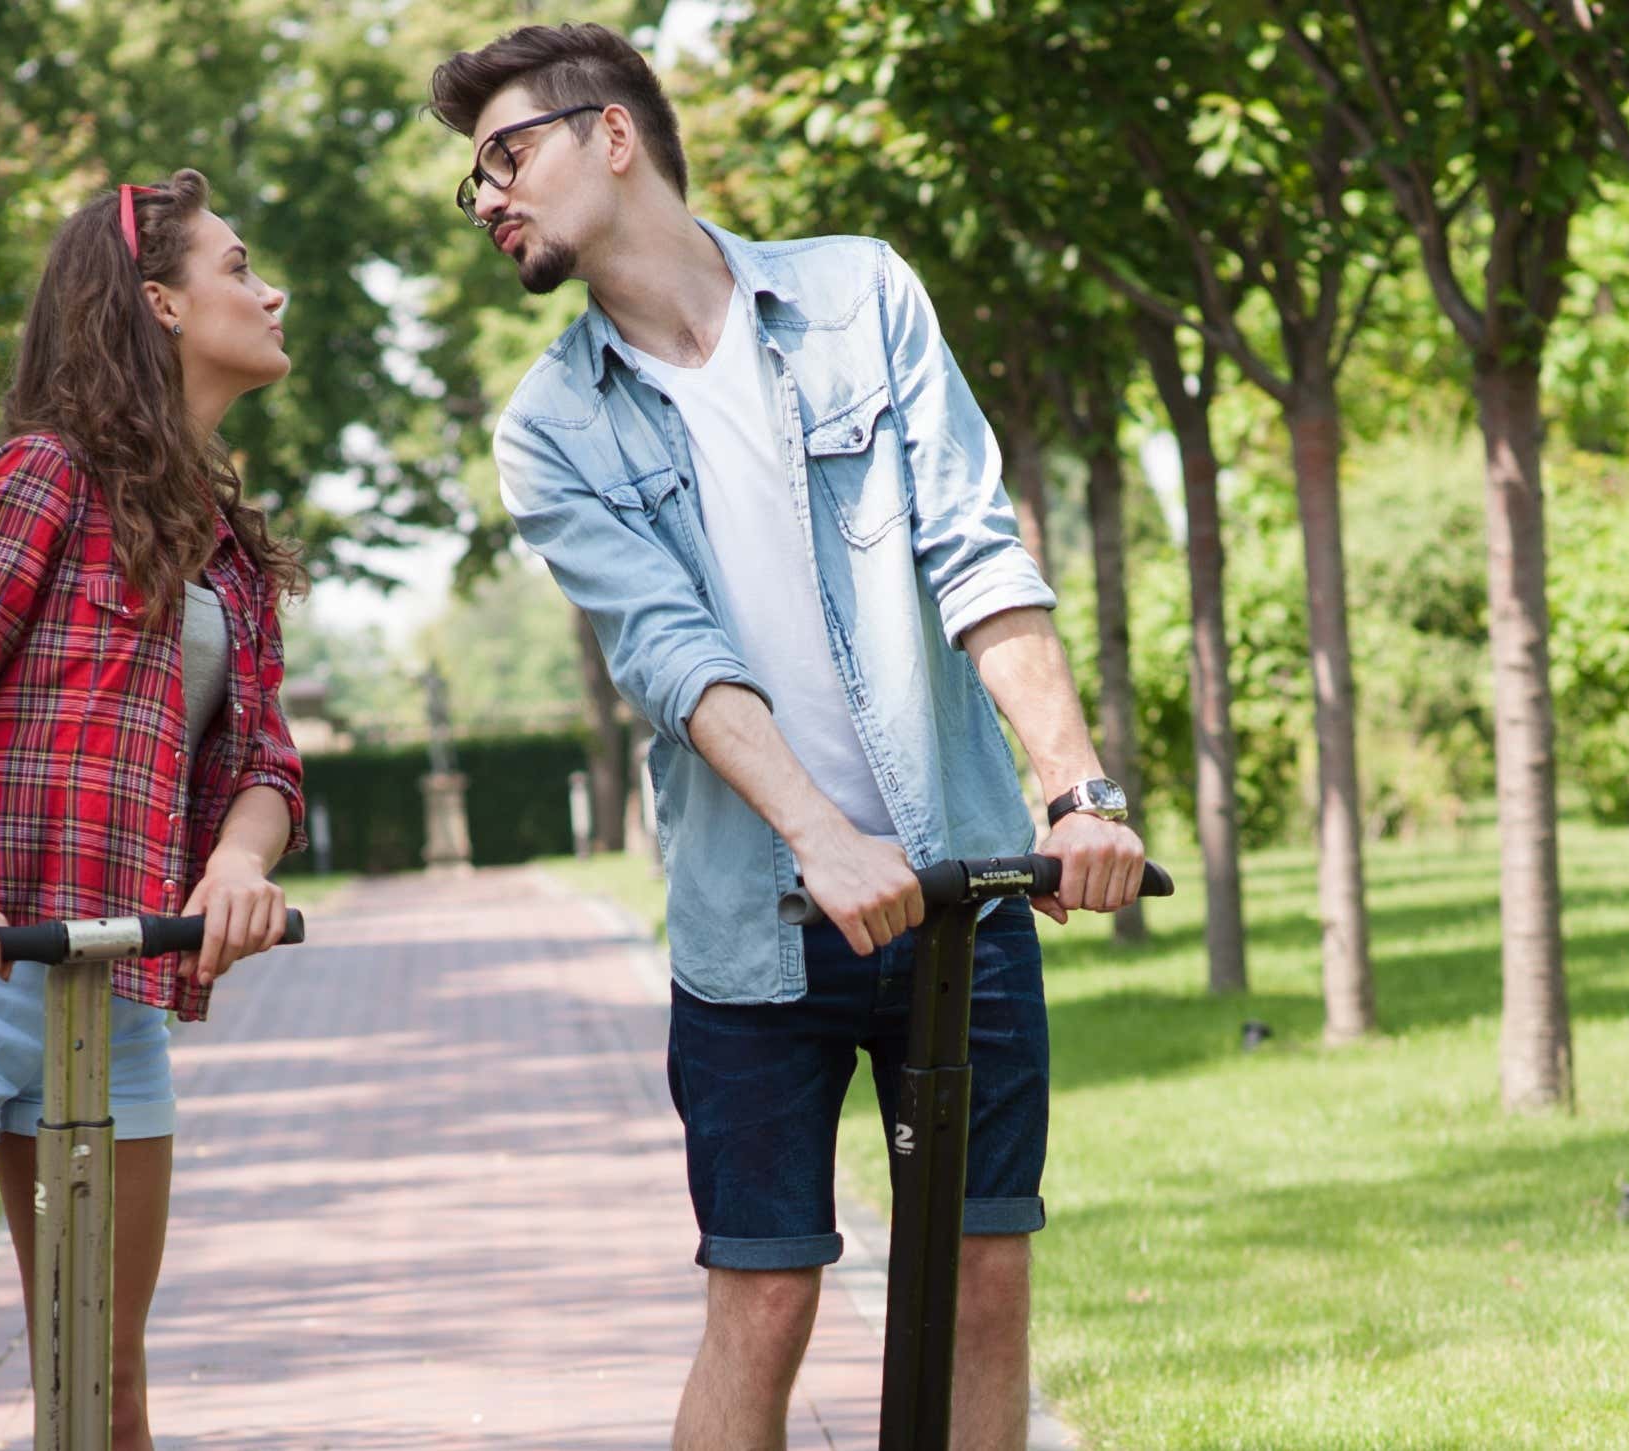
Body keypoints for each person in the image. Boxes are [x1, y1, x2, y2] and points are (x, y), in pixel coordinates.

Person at [430, 25, 1149, 1451]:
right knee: (761, 1297)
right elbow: (670, 654)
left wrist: (1080, 788)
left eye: (508, 155)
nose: (490, 196)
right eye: (475, 180)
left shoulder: (857, 293)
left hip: (962, 885)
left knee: (982, 1278)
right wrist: (823, 841)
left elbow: (974, 554)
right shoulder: (552, 425)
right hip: (757, 919)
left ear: (613, 135)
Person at [0, 170, 309, 1451]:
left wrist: (239, 864)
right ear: (159, 304)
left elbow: (262, 762)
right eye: (239, 267)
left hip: (105, 991)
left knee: (104, 1395)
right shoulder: (44, 477)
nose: (270, 289)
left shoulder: (229, 547)